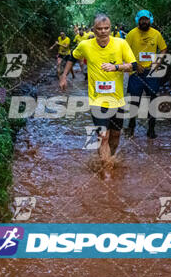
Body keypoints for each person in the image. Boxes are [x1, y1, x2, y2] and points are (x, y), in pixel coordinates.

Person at [59, 14, 137, 164]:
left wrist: (116, 67)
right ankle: (106, 169)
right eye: (99, 29)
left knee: (115, 135)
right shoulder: (85, 45)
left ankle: (110, 158)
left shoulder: (120, 43)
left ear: (110, 28)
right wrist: (63, 76)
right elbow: (72, 57)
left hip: (117, 100)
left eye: (106, 28)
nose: (103, 31)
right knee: (103, 135)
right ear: (93, 30)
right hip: (97, 99)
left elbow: (133, 65)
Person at [125, 10, 168, 139]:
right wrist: (133, 64)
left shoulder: (156, 34)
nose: (144, 22)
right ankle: (131, 128)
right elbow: (124, 50)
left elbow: (164, 48)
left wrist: (158, 63)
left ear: (150, 20)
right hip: (136, 73)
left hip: (152, 73)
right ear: (138, 20)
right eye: (142, 19)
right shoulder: (132, 34)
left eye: (146, 19)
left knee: (153, 101)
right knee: (134, 102)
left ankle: (151, 130)